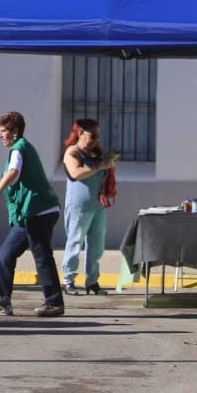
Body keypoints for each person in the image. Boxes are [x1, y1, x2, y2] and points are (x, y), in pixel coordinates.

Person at [0, 111, 65, 318]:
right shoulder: (22, 148)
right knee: (6, 255)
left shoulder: (19, 149)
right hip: (30, 214)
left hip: (39, 212)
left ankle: (54, 303)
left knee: (42, 255)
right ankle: (1, 302)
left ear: (15, 132)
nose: (0, 136)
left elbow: (13, 172)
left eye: (3, 131)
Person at [60, 118, 118, 295]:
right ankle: (68, 280)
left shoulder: (95, 153)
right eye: (92, 136)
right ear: (80, 133)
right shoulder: (72, 152)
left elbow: (104, 171)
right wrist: (101, 165)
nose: (96, 140)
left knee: (96, 244)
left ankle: (92, 281)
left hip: (97, 205)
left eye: (98, 136)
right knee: (75, 241)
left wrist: (110, 164)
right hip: (78, 206)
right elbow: (76, 173)